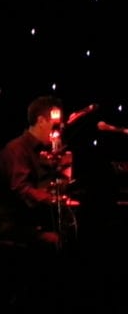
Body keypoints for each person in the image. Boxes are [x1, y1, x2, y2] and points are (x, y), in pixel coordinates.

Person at [0, 95, 69, 252]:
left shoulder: (46, 151)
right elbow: (21, 189)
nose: (58, 130)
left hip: (33, 221)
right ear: (41, 121)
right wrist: (52, 198)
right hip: (14, 226)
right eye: (55, 125)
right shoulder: (16, 149)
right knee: (58, 241)